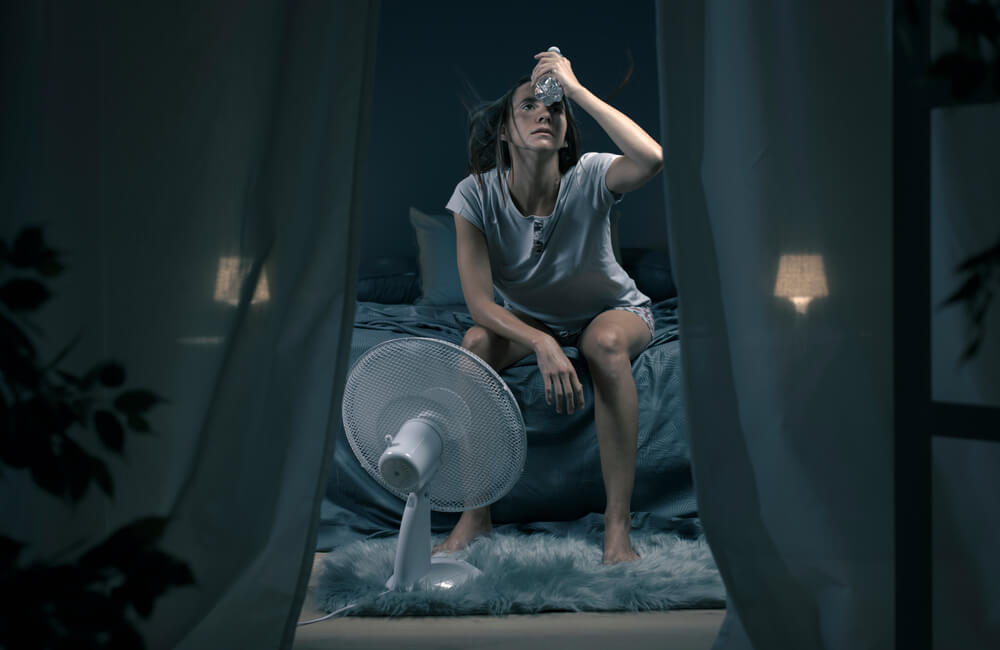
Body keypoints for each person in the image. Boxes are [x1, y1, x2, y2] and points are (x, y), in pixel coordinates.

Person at [438, 50, 663, 565]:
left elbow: (651, 158)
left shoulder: (590, 174)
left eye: (555, 109)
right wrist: (539, 340)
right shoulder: (474, 195)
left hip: (611, 311)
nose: (544, 113)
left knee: (603, 345)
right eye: (528, 107)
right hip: (534, 321)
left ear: (565, 131)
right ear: (502, 130)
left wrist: (576, 89)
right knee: (473, 346)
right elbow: (477, 304)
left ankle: (617, 525)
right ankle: (475, 515)